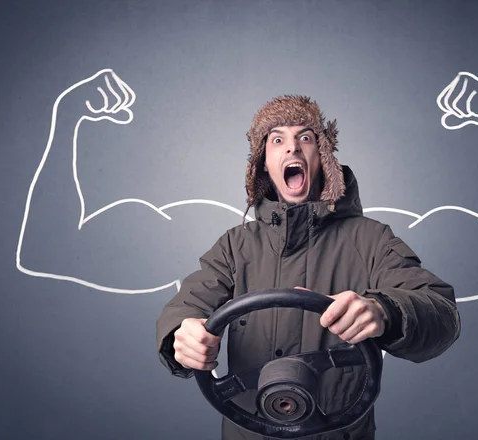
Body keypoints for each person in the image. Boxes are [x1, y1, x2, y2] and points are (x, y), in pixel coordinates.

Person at [156, 95, 461, 440]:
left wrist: (385, 310)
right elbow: (187, 305)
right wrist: (182, 333)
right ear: (263, 163)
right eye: (277, 140)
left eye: (305, 138)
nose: (292, 149)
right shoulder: (234, 245)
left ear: (324, 157)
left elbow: (441, 314)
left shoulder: (371, 240)